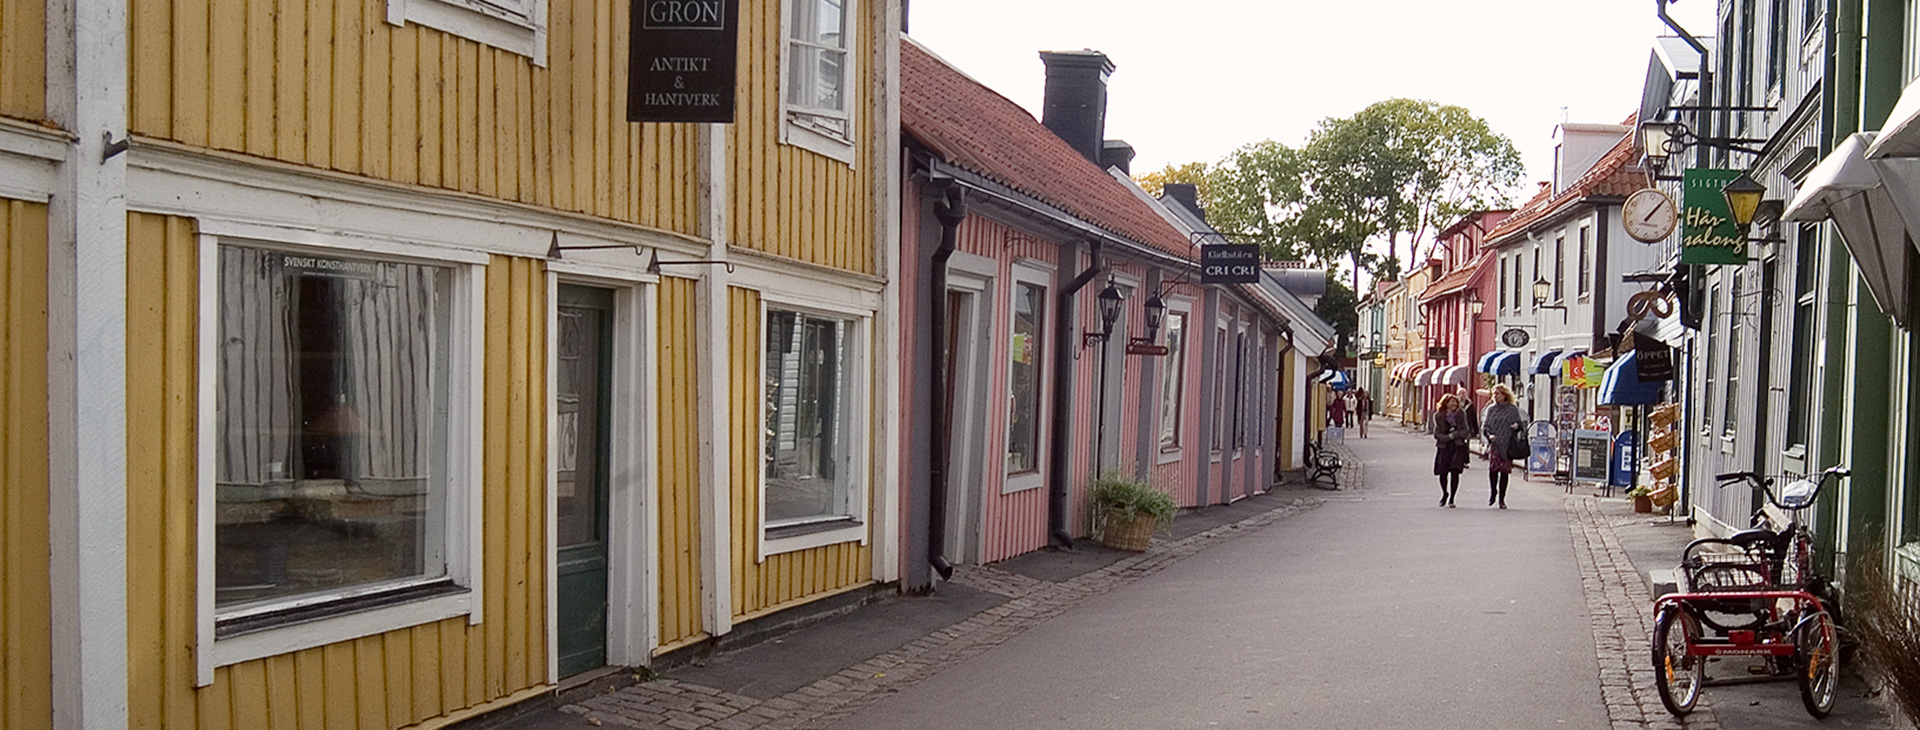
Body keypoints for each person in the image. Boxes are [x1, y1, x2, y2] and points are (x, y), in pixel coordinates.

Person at [1480, 384, 1525, 509]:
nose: (1495, 397)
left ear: (1504, 395)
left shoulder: (1512, 409)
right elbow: (1485, 426)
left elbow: (1520, 425)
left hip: (1507, 444)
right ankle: (1493, 491)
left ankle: (1502, 498)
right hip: (1495, 444)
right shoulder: (1491, 409)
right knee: (1493, 469)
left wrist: (1516, 426)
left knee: (1504, 471)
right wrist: (1489, 435)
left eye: (1497, 394)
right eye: (1494, 394)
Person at [1430, 393, 1473, 507]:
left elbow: (1466, 431)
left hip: (1457, 447)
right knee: (1443, 473)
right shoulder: (1439, 416)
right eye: (1451, 402)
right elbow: (1436, 433)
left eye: (1455, 402)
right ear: (1446, 403)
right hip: (1444, 447)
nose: (1454, 404)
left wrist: (1455, 435)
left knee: (1455, 472)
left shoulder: (1461, 414)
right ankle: (1445, 493)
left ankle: (1452, 498)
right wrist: (1446, 438)